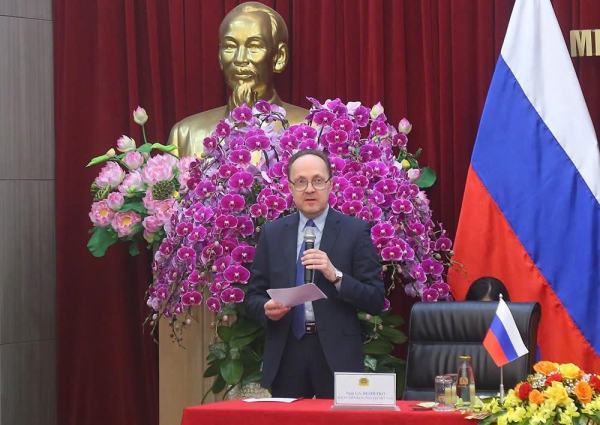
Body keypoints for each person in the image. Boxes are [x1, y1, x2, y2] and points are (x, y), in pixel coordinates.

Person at [245, 149, 386, 399]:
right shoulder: (272, 233)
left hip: (336, 354)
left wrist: (336, 275)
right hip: (287, 351)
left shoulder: (355, 232)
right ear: (290, 188)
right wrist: (266, 308)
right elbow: (253, 296)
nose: (309, 189)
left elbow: (375, 299)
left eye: (318, 181)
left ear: (330, 185)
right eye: (301, 182)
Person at [168, 2, 309, 157]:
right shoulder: (185, 134)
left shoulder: (313, 130)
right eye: (230, 46)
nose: (240, 59)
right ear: (220, 57)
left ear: (279, 57)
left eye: (254, 46)